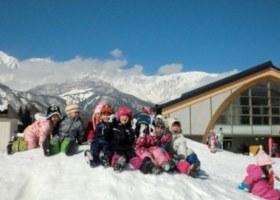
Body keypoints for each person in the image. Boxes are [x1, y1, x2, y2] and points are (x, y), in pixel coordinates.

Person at [110, 106, 136, 172]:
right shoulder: (116, 127)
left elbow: (131, 140)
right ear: (119, 117)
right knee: (117, 155)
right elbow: (113, 136)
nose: (124, 117)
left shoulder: (130, 128)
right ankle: (117, 163)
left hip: (128, 148)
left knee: (132, 156)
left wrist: (133, 131)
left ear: (129, 118)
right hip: (118, 148)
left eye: (126, 116)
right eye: (122, 116)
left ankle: (142, 165)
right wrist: (110, 124)